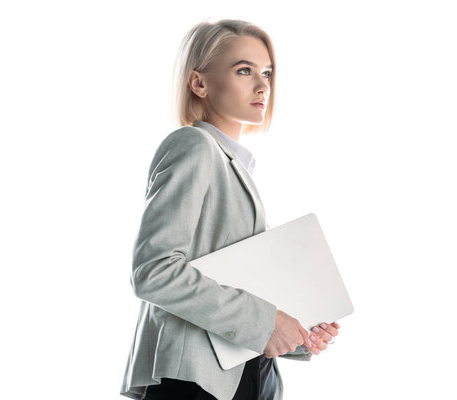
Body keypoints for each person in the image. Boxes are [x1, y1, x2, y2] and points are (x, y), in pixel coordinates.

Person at [120, 19, 340, 400]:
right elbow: (153, 272)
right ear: (199, 83)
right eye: (244, 70)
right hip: (194, 382)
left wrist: (298, 329)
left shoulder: (232, 165)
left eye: (267, 72)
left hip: (243, 378)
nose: (263, 85)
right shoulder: (194, 146)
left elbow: (235, 279)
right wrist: (267, 322)